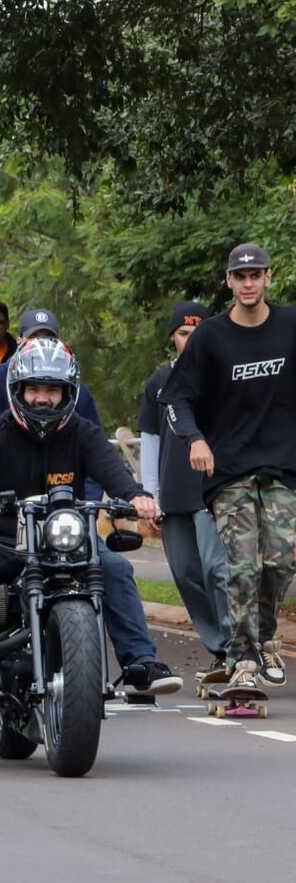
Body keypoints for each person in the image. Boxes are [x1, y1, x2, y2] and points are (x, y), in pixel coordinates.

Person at [0, 337, 182, 697]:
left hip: (69, 541)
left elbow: (114, 473)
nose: (42, 398)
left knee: (114, 568)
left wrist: (138, 498)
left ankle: (140, 664)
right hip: (4, 539)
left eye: (52, 390)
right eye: (34, 388)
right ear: (17, 389)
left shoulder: (81, 432)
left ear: (68, 393)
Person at [162, 243, 296, 691]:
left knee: (281, 560)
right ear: (229, 282)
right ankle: (242, 657)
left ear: (268, 279)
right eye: (240, 277)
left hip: (282, 466)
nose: (248, 284)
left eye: (255, 275)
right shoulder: (211, 337)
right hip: (230, 470)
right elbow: (177, 398)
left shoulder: (290, 326)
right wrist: (196, 439)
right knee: (241, 566)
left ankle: (265, 636)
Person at [138, 302, 231, 674]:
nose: (190, 341)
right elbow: (150, 439)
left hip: (213, 492)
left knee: (217, 569)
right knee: (187, 574)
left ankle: (238, 644)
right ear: (172, 338)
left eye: (197, 334)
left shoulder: (222, 380)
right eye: (182, 334)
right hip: (173, 495)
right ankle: (218, 648)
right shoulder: (160, 382)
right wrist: (150, 494)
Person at [0, 309, 102, 437]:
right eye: (34, 337)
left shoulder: (71, 384)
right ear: (19, 341)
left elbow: (94, 438)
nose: (40, 343)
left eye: (48, 337)